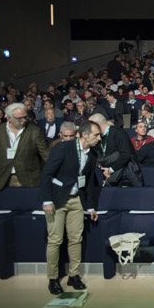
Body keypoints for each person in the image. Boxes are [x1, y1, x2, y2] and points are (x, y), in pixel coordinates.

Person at [40, 120, 102, 295]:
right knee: (55, 240)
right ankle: (53, 278)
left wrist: (90, 207)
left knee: (76, 239)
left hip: (76, 200)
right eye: (96, 135)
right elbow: (46, 174)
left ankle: (74, 275)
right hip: (57, 200)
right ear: (84, 134)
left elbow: (89, 182)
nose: (99, 138)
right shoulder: (63, 148)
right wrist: (47, 200)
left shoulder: (92, 153)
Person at [0, 103, 49, 191]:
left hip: (30, 179)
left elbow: (45, 154)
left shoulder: (34, 131)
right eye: (19, 118)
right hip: (2, 180)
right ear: (8, 117)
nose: (24, 120)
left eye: (25, 117)